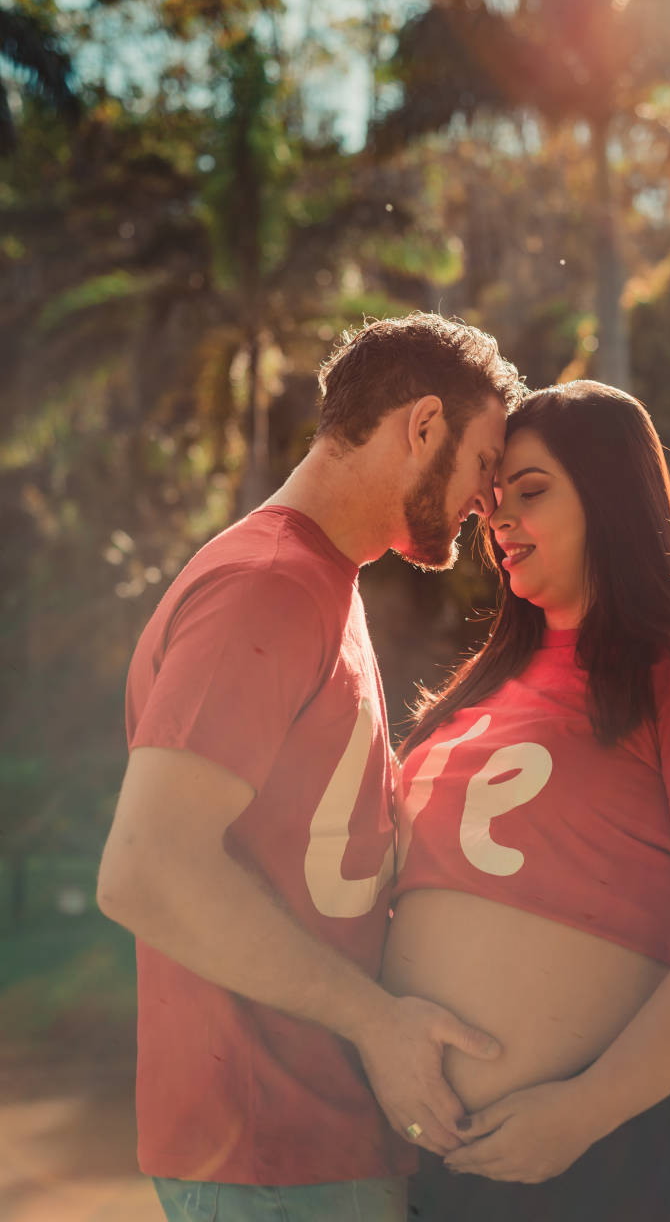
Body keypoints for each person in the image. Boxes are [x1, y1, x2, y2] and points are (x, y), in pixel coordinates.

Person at [96, 312, 524, 1222]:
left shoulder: (328, 582)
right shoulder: (268, 585)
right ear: (422, 428)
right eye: (486, 464)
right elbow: (145, 869)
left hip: (316, 1150)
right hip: (268, 1155)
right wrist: (378, 1023)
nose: (489, 502)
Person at [384, 380, 670, 1222]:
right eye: (495, 500)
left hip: (635, 1152)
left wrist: (585, 1110)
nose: (499, 519)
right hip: (449, 1172)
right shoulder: (473, 694)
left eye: (532, 493)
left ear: (611, 498)